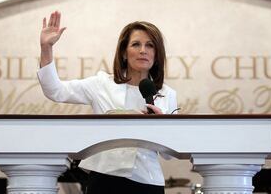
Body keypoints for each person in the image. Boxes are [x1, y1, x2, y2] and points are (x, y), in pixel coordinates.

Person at [37, 11, 178, 194]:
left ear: (156, 54)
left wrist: (162, 125)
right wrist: (46, 48)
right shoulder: (102, 84)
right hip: (104, 179)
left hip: (148, 181)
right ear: (124, 53)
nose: (143, 50)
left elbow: (169, 154)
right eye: (136, 44)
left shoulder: (168, 94)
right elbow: (55, 90)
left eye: (150, 45)